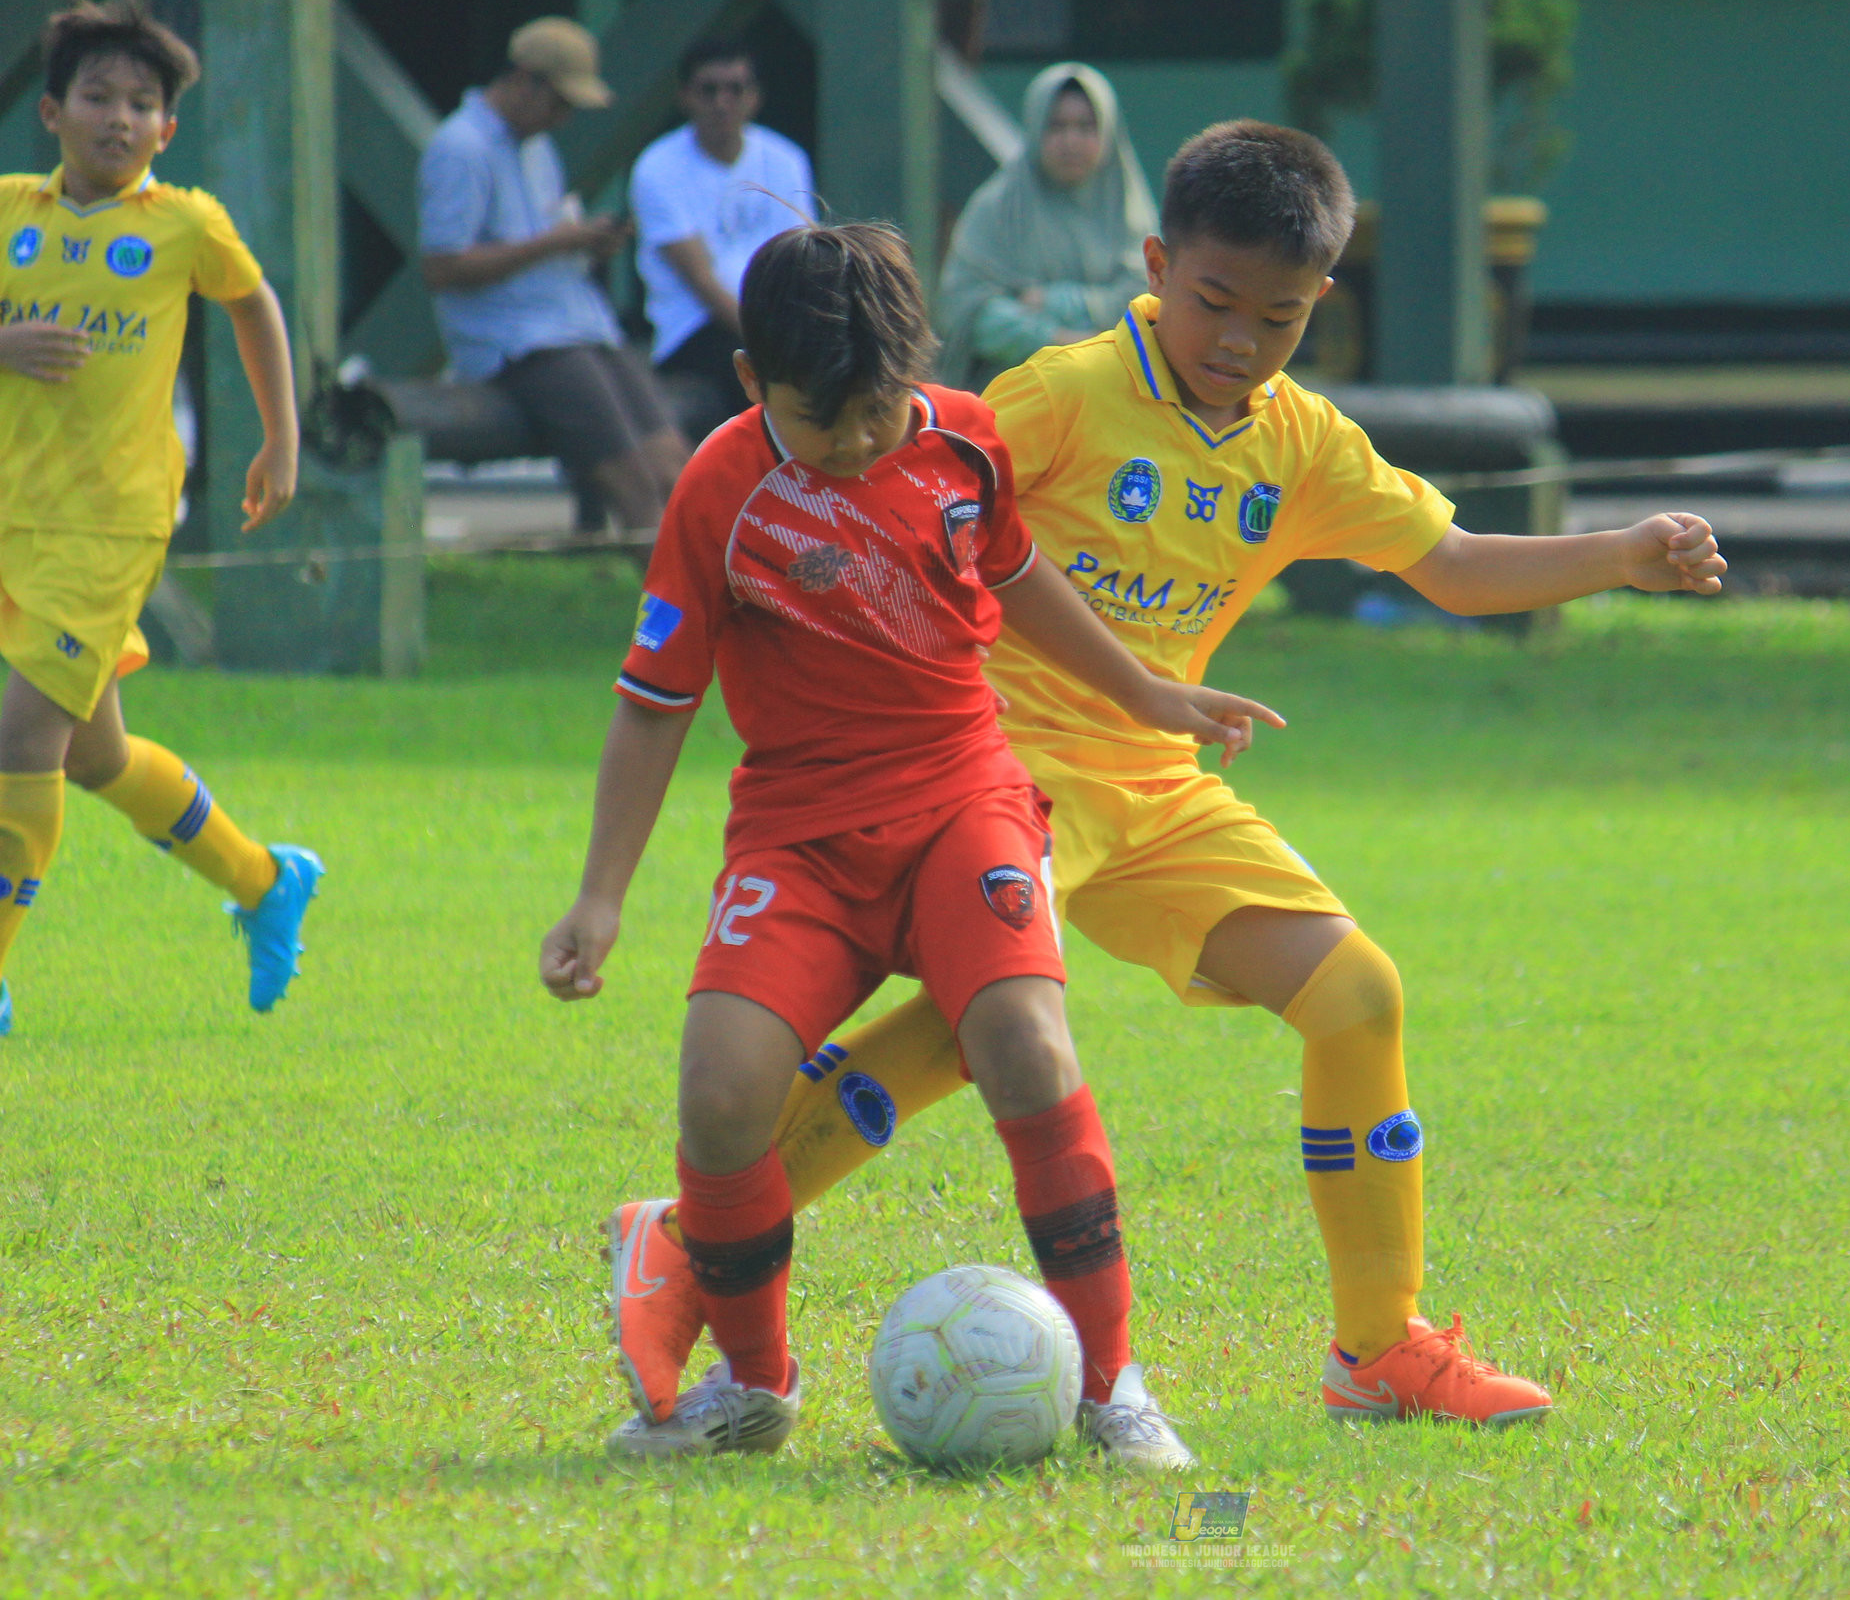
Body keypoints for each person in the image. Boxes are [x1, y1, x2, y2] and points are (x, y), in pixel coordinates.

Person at [608, 121, 1725, 1433]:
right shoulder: (1061, 395)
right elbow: (891, 475)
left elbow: (1457, 565)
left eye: (1282, 315)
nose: (1240, 339)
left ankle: (1378, 1348)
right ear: (1153, 263)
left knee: (1355, 995)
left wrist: (1622, 554)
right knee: (984, 1034)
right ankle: (698, 1237)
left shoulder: (1298, 444)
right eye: (1212, 302)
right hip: (999, 756)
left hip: (1153, 775)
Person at [540, 223, 1283, 1465]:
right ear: (748, 383)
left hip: (961, 802)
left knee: (1028, 1051)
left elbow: (1021, 571)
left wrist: (1148, 689)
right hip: (800, 837)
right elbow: (652, 702)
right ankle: (756, 1385)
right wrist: (599, 896)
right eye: (825, 422)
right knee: (721, 1097)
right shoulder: (718, 492)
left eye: (880, 411)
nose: (861, 441)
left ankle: (1111, 1386)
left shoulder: (960, 436)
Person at [0, 0, 323, 1034]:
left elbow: (253, 302)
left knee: (18, 735)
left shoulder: (185, 222)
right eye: (99, 95)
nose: (120, 118)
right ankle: (265, 878)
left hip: (113, 522)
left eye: (142, 104)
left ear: (167, 131)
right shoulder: (10, 210)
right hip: (14, 515)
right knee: (94, 755)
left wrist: (281, 436)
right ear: (52, 111)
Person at [417, 17, 690, 537]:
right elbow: (441, 268)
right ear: (524, 80)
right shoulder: (460, 148)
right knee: (636, 492)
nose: (563, 118)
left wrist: (586, 244)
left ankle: (720, 614)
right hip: (518, 344)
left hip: (580, 327)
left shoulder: (537, 146)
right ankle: (674, 620)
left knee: (677, 469)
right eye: (560, 103)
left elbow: (539, 241)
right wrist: (557, 242)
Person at [630, 37, 812, 431]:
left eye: (735, 89)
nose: (721, 102)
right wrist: (775, 342)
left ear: (755, 97)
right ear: (685, 97)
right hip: (693, 331)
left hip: (772, 326)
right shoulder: (657, 168)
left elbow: (801, 261)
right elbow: (702, 281)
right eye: (708, 90)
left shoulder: (786, 160)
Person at [933, 63, 1151, 390]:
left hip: (1113, 401)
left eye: (1086, 127)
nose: (1070, 141)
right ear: (1035, 129)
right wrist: (1056, 340)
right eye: (1056, 127)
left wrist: (1055, 302)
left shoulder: (1130, 211)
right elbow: (967, 307)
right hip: (1013, 403)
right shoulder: (997, 208)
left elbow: (1147, 298)